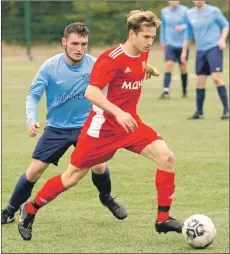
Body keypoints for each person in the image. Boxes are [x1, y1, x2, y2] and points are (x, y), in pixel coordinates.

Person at [18, 10, 183, 241]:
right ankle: (31, 208)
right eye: (145, 37)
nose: (149, 42)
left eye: (153, 38)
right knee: (72, 177)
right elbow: (91, 92)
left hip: (130, 126)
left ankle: (163, 219)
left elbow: (137, 63)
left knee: (167, 157)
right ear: (132, 34)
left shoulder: (141, 52)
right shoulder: (111, 58)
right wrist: (118, 112)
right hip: (101, 130)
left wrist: (150, 69)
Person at [2, 22, 127, 226]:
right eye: (75, 43)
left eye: (84, 44)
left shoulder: (95, 64)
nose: (79, 48)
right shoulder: (51, 66)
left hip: (86, 126)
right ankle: (9, 211)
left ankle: (106, 198)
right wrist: (31, 119)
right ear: (64, 42)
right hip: (56, 128)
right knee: (34, 171)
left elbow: (119, 78)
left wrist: (143, 67)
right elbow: (33, 95)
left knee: (99, 165)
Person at [181, 1, 229, 120]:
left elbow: (225, 25)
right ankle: (199, 112)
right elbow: (188, 33)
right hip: (200, 51)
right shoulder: (189, 13)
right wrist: (184, 51)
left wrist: (222, 40)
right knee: (200, 81)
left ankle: (227, 110)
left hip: (214, 48)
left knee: (217, 78)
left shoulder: (214, 11)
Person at [159, 1, 189, 99]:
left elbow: (189, 25)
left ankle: (184, 90)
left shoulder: (185, 10)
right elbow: (163, 27)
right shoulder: (164, 11)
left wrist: (182, 27)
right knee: (169, 64)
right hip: (170, 43)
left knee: (183, 67)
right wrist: (163, 41)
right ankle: (166, 90)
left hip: (182, 44)